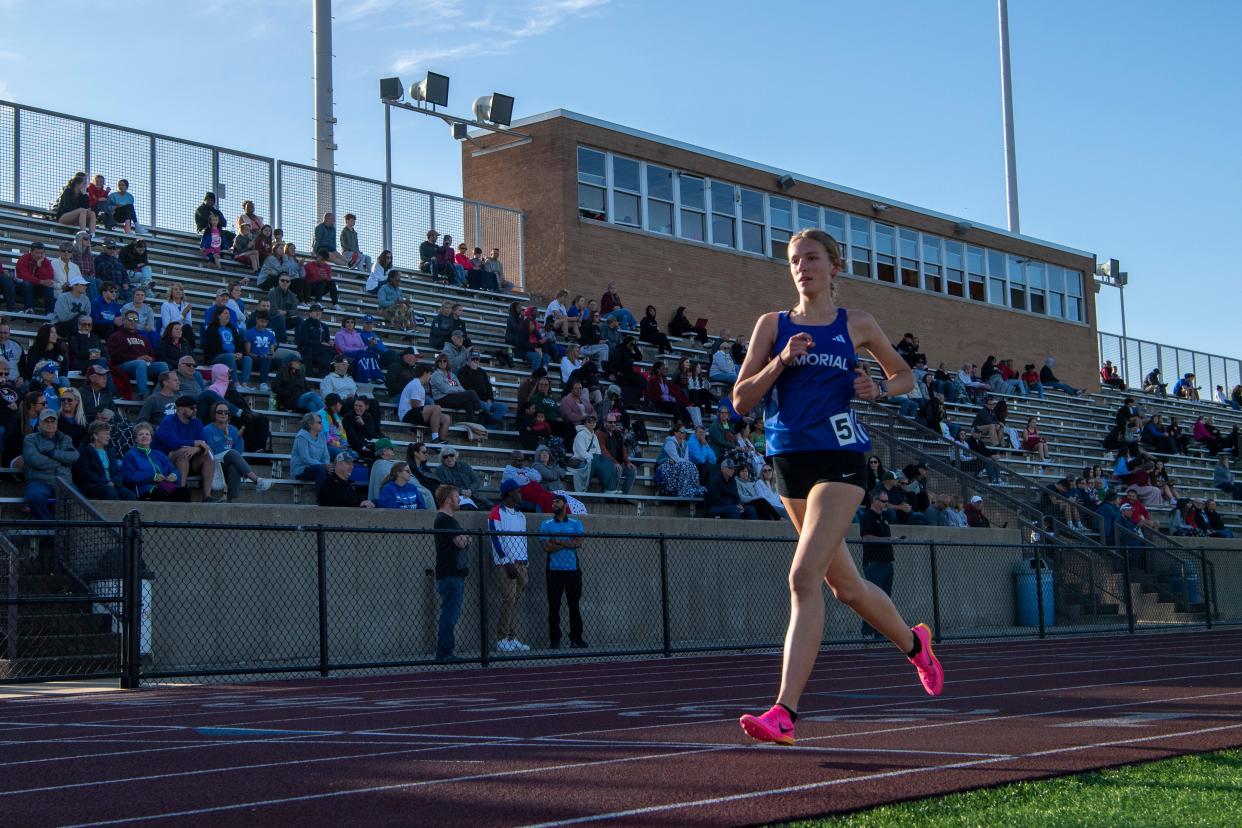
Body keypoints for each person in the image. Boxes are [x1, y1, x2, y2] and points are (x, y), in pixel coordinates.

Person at [733, 229, 942, 747]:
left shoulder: (857, 323)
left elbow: (904, 378)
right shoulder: (772, 326)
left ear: (834, 266)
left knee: (802, 577)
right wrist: (781, 360)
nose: (802, 267)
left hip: (842, 457)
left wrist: (878, 386)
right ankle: (916, 645)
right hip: (789, 463)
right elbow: (741, 400)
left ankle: (784, 712)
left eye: (811, 258)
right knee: (843, 588)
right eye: (794, 261)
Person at [540, 494, 588, 648]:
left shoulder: (576, 523)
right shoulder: (546, 524)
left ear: (565, 505)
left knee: (574, 605)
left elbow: (578, 543)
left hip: (572, 571)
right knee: (554, 606)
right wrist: (568, 542)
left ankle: (576, 638)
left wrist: (558, 540)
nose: (554, 504)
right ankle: (555, 640)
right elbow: (547, 547)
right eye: (553, 502)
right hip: (554, 571)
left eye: (557, 502)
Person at [489, 478, 531, 652]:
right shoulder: (496, 512)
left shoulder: (521, 515)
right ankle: (501, 638)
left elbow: (523, 538)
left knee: (515, 601)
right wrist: (505, 561)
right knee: (509, 599)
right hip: (506, 564)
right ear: (509, 493)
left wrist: (526, 560)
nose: (520, 494)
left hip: (522, 562)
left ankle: (511, 636)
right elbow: (494, 537)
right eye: (518, 491)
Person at [154, 395, 220, 503]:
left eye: (196, 408)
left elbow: (204, 444)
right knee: (183, 452)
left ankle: (207, 496)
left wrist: (196, 449)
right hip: (165, 461)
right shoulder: (168, 422)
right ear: (180, 409)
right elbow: (173, 444)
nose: (195, 410)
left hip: (188, 460)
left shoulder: (197, 422)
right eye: (191, 408)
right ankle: (181, 494)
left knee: (208, 454)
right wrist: (195, 443)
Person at [203, 401, 272, 502]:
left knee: (235, 467)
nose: (223, 414)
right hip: (213, 463)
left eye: (226, 412)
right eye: (220, 412)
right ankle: (257, 480)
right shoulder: (207, 430)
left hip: (227, 462)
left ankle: (231, 501)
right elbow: (212, 451)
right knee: (231, 453)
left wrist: (239, 438)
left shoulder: (233, 429)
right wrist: (225, 437)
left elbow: (239, 452)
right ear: (214, 414)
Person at [433, 484, 471, 661]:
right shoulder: (445, 520)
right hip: (450, 574)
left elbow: (463, 539)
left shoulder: (449, 520)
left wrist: (465, 537)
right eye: (457, 497)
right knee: (449, 613)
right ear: (448, 500)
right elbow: (461, 542)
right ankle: (445, 652)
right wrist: (466, 537)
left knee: (451, 613)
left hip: (453, 573)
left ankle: (446, 651)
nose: (459, 500)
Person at [22, 408, 78, 518]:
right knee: (34, 498)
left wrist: (53, 454)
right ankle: (50, 530)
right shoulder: (30, 439)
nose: (50, 424)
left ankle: (69, 532)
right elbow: (35, 461)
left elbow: (74, 456)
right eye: (46, 421)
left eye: (53, 421)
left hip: (65, 482)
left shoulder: (66, 439)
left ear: (57, 423)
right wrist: (62, 461)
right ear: (40, 423)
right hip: (40, 481)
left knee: (81, 502)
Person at [858, 489, 896, 639]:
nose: (886, 504)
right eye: (883, 501)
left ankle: (880, 632)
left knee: (885, 601)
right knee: (872, 600)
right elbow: (866, 537)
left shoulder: (883, 517)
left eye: (887, 501)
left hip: (887, 563)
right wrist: (889, 540)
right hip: (874, 564)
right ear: (874, 500)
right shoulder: (868, 516)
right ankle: (867, 632)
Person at [107, 311, 168, 398]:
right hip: (124, 366)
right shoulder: (116, 336)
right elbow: (115, 357)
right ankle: (144, 394)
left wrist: (151, 359)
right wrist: (136, 358)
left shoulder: (142, 338)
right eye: (130, 319)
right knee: (140, 363)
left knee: (162, 365)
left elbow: (152, 355)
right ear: (124, 320)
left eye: (135, 319)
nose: (133, 322)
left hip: (144, 366)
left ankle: (159, 394)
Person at [72, 420, 136, 501]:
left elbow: (118, 471)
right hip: (94, 486)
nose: (108, 437)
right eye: (105, 434)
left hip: (112, 485)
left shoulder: (110, 451)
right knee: (110, 492)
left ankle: (131, 514)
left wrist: (114, 482)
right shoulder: (83, 451)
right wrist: (106, 482)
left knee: (130, 495)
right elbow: (85, 473)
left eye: (108, 434)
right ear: (95, 435)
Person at [435, 445, 490, 510]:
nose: (449, 459)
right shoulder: (440, 470)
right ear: (442, 459)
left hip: (472, 495)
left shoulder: (464, 465)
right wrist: (461, 491)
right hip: (455, 497)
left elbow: (476, 481)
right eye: (445, 457)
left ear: (455, 456)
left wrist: (470, 490)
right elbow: (445, 487)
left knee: (489, 506)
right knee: (468, 507)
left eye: (451, 455)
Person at [291, 412, 332, 487]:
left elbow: (325, 456)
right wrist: (323, 465)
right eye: (319, 422)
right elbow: (305, 458)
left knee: (335, 471)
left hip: (317, 468)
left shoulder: (322, 436)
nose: (322, 424)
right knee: (321, 469)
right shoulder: (301, 437)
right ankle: (320, 497)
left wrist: (327, 465)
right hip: (301, 470)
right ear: (310, 424)